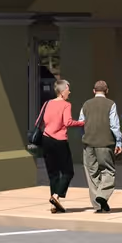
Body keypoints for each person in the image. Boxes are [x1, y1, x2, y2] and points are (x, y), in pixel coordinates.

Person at [38, 79, 84, 214]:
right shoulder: (66, 105)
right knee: (68, 172)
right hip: (59, 141)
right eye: (68, 89)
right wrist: (82, 123)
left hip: (46, 139)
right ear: (63, 91)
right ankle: (56, 196)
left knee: (53, 174)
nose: (69, 92)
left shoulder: (47, 103)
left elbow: (42, 121)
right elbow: (68, 122)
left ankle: (54, 205)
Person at [80, 79, 122, 213]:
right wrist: (119, 142)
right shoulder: (110, 104)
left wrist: (86, 135)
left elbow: (81, 122)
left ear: (94, 91)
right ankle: (102, 196)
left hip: (89, 143)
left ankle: (98, 205)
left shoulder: (86, 104)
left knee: (92, 173)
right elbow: (114, 125)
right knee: (108, 171)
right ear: (107, 91)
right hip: (105, 143)